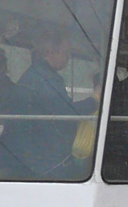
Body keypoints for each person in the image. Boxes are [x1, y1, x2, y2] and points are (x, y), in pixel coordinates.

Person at [13, 27, 82, 179]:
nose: (68, 57)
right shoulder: (47, 80)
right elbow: (68, 113)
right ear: (50, 52)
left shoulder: (31, 75)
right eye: (66, 52)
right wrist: (96, 99)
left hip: (29, 155)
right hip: (50, 161)